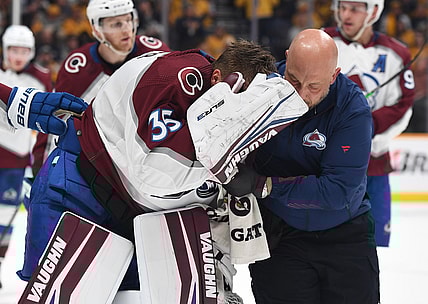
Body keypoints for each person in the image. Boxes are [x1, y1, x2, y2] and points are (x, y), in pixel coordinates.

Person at [19, 40, 292, 294]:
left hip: (130, 213)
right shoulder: (174, 79)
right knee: (57, 294)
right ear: (220, 79)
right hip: (78, 188)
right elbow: (154, 171)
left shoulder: (224, 103)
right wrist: (223, 168)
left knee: (131, 296)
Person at [225, 29, 380, 303]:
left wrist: (263, 185)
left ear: (334, 75)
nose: (300, 94)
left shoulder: (353, 110)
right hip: (279, 235)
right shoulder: (259, 87)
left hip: (344, 235)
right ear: (286, 59)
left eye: (314, 87)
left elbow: (337, 190)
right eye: (294, 81)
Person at [32, 0, 170, 175]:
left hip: (148, 158)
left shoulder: (156, 55)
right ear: (97, 30)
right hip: (98, 162)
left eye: (129, 20)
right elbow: (55, 119)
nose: (126, 29)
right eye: (116, 24)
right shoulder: (79, 68)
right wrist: (39, 171)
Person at [324, 0, 415, 247]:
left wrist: (366, 135)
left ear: (374, 11)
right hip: (328, 167)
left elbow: (402, 105)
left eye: (354, 9)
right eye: (342, 8)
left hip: (374, 166)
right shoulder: (320, 43)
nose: (345, 15)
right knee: (328, 246)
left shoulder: (396, 53)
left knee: (373, 249)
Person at [0, 24, 52, 289]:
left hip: (17, 162)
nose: (18, 55)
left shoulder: (42, 79)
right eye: (13, 50)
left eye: (23, 50)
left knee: (5, 216)